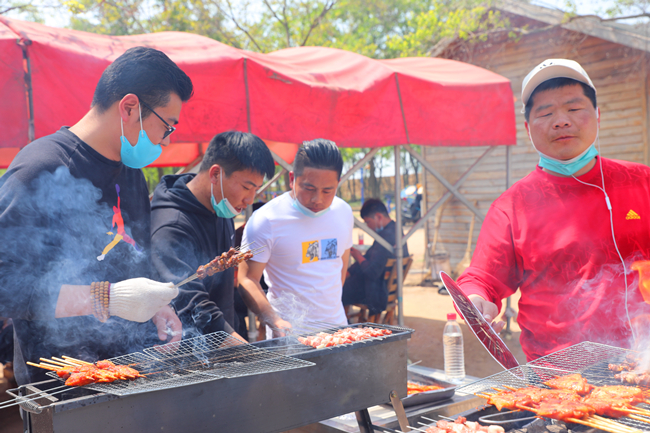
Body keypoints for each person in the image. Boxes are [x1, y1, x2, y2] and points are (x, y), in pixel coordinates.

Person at [0, 47, 193, 384]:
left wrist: (155, 305)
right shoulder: (40, 168)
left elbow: (134, 258)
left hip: (131, 371)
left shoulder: (131, 174)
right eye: (167, 126)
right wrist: (106, 298)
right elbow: (6, 287)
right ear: (129, 107)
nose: (164, 141)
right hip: (62, 384)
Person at [457, 59, 650, 361]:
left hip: (643, 362)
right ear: (527, 129)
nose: (561, 121)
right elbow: (481, 279)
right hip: (557, 373)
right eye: (546, 113)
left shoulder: (642, 182)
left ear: (598, 115)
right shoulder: (512, 206)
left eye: (574, 108)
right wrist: (476, 300)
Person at [150, 131, 275, 341]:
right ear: (215, 174)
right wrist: (237, 344)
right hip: (187, 348)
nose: (249, 200)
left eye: (256, 189)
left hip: (223, 340)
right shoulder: (172, 225)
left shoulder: (220, 203)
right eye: (246, 187)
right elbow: (189, 300)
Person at [239, 139, 354, 335]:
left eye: (327, 191)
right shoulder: (266, 220)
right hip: (288, 336)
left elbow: (340, 267)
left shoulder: (344, 211)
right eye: (309, 189)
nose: (317, 199)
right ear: (292, 179)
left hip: (337, 331)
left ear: (338, 183)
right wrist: (273, 319)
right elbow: (247, 279)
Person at [342, 199, 409, 317]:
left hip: (377, 293)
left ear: (378, 217)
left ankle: (342, 323)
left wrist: (358, 256)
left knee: (339, 290)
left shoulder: (385, 237)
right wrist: (351, 270)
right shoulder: (396, 229)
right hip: (387, 290)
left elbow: (372, 271)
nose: (368, 227)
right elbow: (371, 259)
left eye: (368, 222)